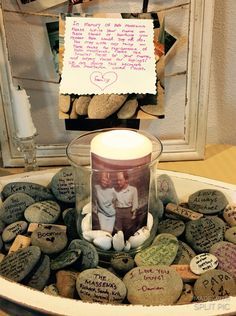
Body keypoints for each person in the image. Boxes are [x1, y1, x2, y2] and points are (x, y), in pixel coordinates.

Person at [113, 171, 139, 239]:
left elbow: (135, 202)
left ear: (126, 180)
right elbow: (112, 203)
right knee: (118, 231)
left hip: (128, 212)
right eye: (117, 180)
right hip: (118, 212)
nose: (118, 182)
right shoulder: (115, 190)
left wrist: (134, 214)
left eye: (120, 180)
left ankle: (127, 244)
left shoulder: (133, 190)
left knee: (128, 230)